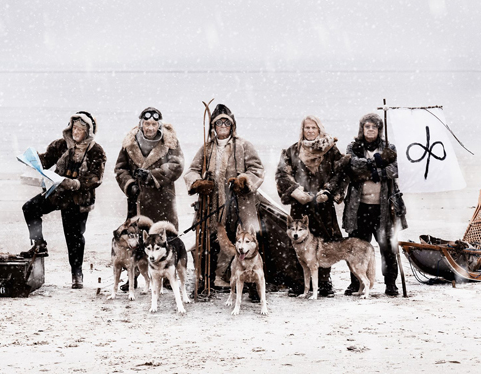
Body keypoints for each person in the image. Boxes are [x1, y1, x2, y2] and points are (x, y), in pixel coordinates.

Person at [184, 104, 265, 295]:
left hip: (239, 202)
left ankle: (247, 280)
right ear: (213, 126)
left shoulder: (243, 145)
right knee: (208, 240)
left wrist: (243, 181)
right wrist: (198, 183)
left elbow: (257, 170)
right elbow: (192, 170)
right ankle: (207, 278)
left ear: (232, 125)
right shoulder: (207, 148)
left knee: (240, 239)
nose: (222, 126)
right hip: (211, 204)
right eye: (219, 123)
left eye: (226, 123)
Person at [20, 111, 106, 289]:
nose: (76, 132)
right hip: (58, 193)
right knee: (30, 208)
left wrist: (76, 183)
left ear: (88, 131)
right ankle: (39, 244)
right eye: (74, 128)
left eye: (80, 129)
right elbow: (45, 161)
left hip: (78, 199)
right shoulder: (61, 145)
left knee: (74, 237)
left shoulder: (95, 150)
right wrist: (32, 160)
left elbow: (96, 178)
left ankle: (77, 274)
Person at [275, 115, 346, 297]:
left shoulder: (331, 150)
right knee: (298, 242)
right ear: (302, 130)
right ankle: (299, 283)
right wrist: (295, 191)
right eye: (307, 127)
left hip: (323, 205)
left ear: (319, 129)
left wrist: (328, 191)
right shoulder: (292, 151)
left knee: (324, 243)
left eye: (314, 128)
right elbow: (282, 174)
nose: (310, 131)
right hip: (300, 205)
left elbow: (341, 173)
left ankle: (324, 282)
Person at [342, 113, 400, 296]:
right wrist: (375, 163)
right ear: (362, 128)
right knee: (357, 248)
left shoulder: (389, 147)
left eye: (374, 127)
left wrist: (377, 173)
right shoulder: (353, 147)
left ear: (379, 129)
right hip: (358, 207)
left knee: (387, 248)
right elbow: (352, 167)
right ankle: (356, 283)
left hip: (383, 208)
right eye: (367, 126)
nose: (371, 129)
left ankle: (391, 284)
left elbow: (393, 170)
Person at [114, 107, 184, 224]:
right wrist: (130, 185)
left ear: (159, 125)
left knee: (164, 233)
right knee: (139, 233)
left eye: (154, 124)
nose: (150, 128)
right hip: (137, 200)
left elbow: (177, 165)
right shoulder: (129, 142)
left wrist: (152, 176)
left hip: (163, 201)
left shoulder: (170, 142)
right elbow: (120, 168)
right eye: (147, 124)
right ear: (141, 124)